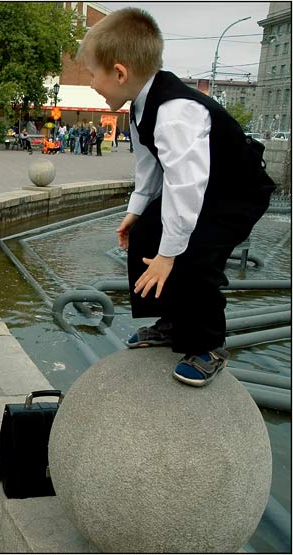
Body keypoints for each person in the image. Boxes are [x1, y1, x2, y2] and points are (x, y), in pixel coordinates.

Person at [79, 7, 274, 386]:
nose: (91, 85)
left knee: (195, 254)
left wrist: (169, 256)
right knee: (149, 232)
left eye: (92, 75)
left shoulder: (174, 112)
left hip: (238, 192)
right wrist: (136, 211)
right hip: (207, 187)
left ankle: (208, 346)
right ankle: (173, 322)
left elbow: (186, 186)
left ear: (119, 73)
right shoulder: (139, 106)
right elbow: (150, 166)